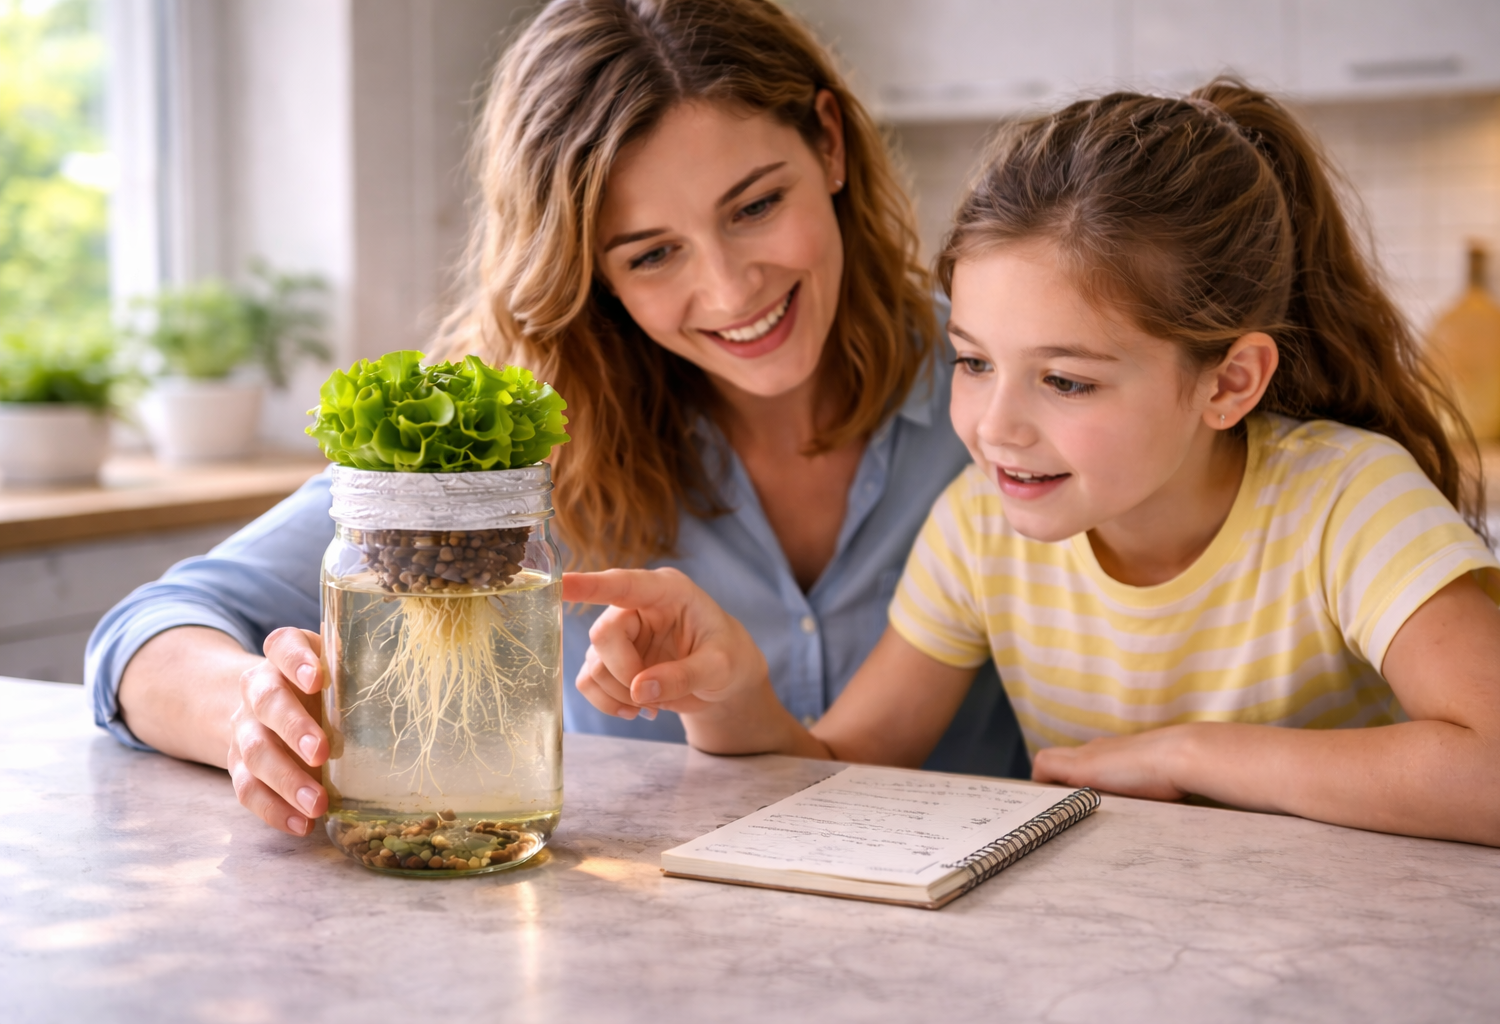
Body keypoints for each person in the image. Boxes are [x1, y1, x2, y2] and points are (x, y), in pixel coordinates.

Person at [84, 0, 1027, 839]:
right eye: (652, 254)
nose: (731, 287)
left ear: (829, 144)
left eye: (757, 205)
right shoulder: (511, 439)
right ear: (590, 274)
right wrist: (251, 711)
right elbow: (151, 629)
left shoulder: (1020, 390)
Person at [565, 81, 1500, 851]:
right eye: (975, 362)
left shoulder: (1345, 502)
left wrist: (1191, 756)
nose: (995, 427)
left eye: (1066, 381)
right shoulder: (979, 528)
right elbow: (832, 777)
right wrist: (728, 692)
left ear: (1229, 383)